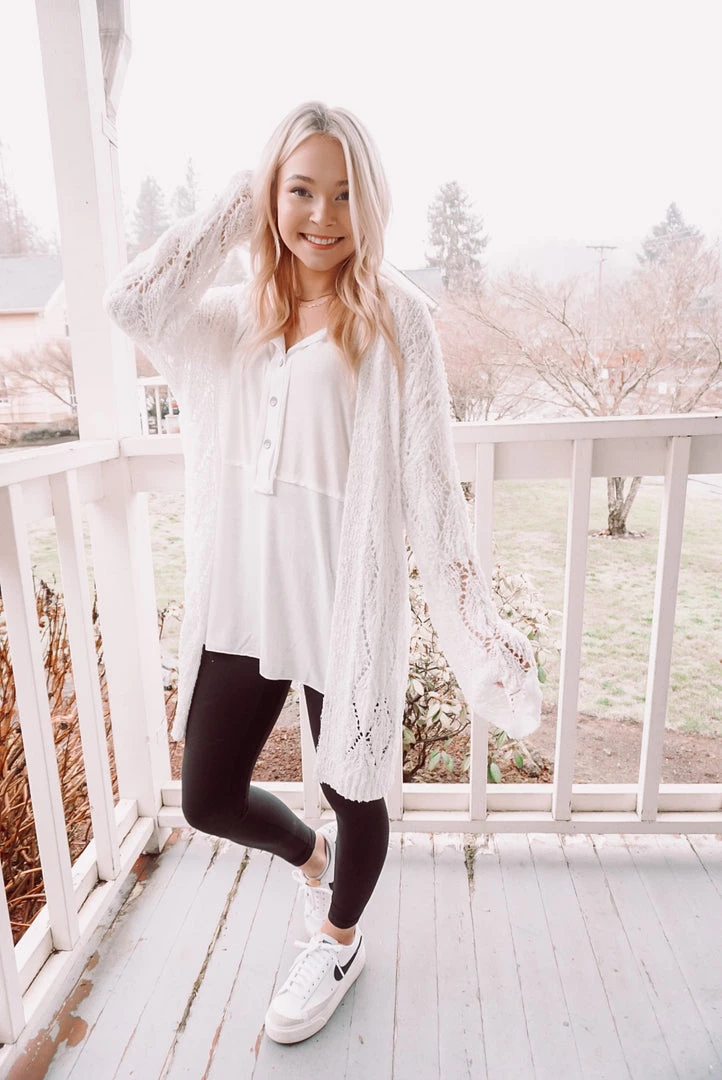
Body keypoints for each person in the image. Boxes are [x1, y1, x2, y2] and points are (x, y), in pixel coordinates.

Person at [103, 101, 542, 1045]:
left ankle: (338, 940)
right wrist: (241, 201)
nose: (323, 216)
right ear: (272, 194)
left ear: (370, 203)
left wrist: (480, 632)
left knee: (358, 788)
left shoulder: (396, 320)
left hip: (343, 606)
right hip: (243, 600)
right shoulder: (232, 318)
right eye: (300, 190)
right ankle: (311, 861)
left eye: (345, 194)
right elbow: (132, 304)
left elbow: (431, 489)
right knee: (207, 797)